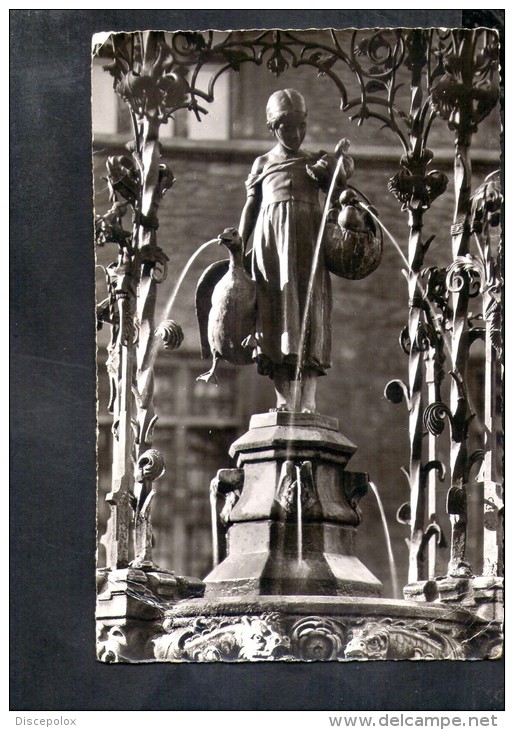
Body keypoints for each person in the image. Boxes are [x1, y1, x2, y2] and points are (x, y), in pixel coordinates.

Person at [238, 89, 340, 413]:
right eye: (286, 127)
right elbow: (251, 207)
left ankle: (309, 400)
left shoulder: (316, 161)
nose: (295, 134)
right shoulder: (263, 163)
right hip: (271, 250)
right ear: (272, 128)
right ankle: (283, 400)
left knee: (310, 315)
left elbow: (340, 200)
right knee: (274, 317)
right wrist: (238, 249)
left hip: (308, 248)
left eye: (301, 126)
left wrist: (335, 175)